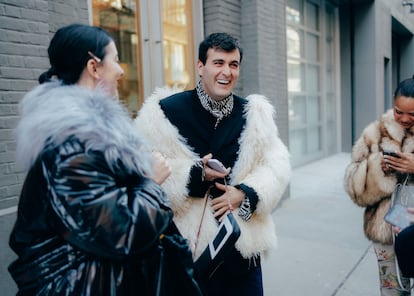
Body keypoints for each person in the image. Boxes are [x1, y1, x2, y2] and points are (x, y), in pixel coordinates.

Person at [8, 23, 201, 296]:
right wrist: (150, 183)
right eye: (116, 59)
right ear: (94, 67)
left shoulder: (86, 135)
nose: (121, 70)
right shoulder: (73, 141)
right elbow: (120, 231)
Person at [134, 32, 291, 295]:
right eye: (218, 63)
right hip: (186, 252)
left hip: (240, 250)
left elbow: (276, 166)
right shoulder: (165, 112)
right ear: (200, 66)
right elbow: (145, 172)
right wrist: (195, 175)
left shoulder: (253, 115)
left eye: (233, 64)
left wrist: (244, 193)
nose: (226, 72)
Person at [344, 77, 414, 296]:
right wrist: (377, 169)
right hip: (387, 232)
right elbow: (352, 185)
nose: (404, 119)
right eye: (398, 111)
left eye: (412, 113)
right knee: (392, 291)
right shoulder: (375, 133)